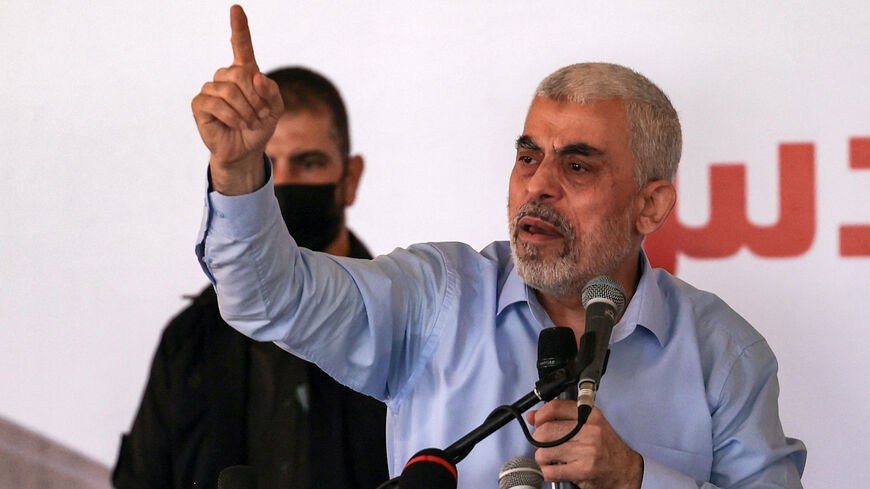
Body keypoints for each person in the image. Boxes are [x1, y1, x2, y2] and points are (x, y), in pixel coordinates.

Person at [191, 5, 807, 489]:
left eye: (578, 166)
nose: (538, 185)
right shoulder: (438, 298)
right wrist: (239, 169)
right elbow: (267, 301)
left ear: (651, 205)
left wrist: (638, 479)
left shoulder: (723, 355)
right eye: (528, 156)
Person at [113, 64, 389, 489]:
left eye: (309, 163)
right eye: (267, 165)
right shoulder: (190, 341)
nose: (285, 183)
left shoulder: (403, 325)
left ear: (349, 179)